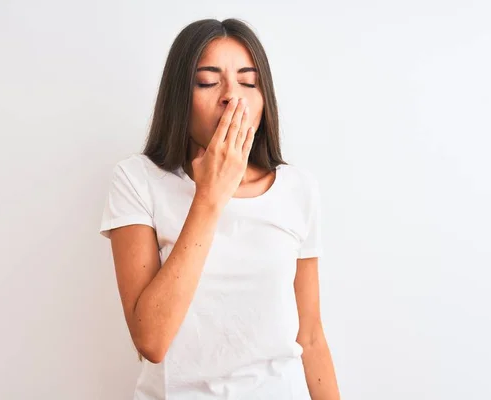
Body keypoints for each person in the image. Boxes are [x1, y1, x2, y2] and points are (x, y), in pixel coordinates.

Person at [99, 18, 340, 400]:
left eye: (248, 81)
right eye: (209, 82)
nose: (233, 96)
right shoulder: (137, 180)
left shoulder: (297, 188)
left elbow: (310, 337)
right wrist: (210, 196)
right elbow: (151, 341)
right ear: (180, 96)